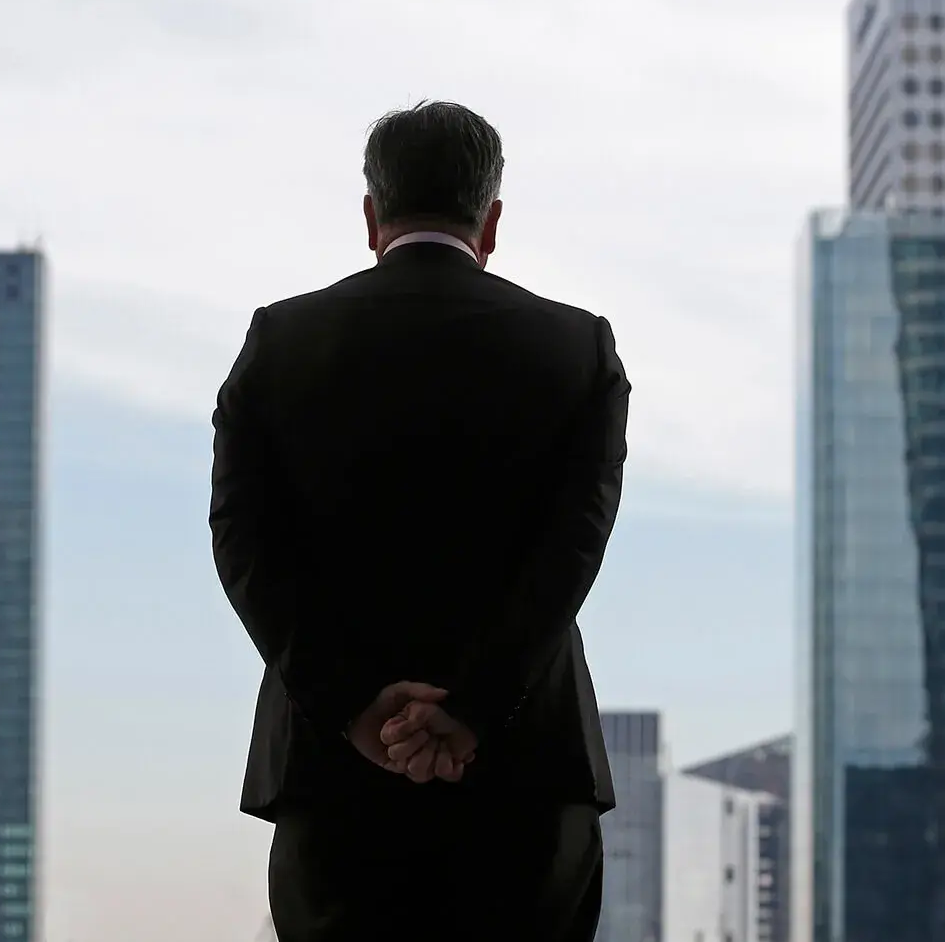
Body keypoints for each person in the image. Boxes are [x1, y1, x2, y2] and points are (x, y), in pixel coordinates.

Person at [209, 100, 630, 942]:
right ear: (493, 221)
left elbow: (244, 544)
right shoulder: (576, 349)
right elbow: (571, 552)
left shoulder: (280, 342)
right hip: (525, 778)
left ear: (371, 216)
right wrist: (471, 706)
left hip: (334, 782)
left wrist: (354, 708)